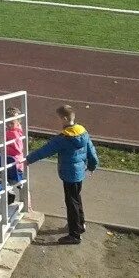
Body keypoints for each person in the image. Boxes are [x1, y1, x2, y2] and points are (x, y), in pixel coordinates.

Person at [26, 104, 99, 245]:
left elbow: (45, 150)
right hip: (79, 173)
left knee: (71, 203)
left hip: (69, 174)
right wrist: (92, 166)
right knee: (77, 199)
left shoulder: (63, 138)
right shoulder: (83, 132)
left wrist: (28, 160)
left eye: (59, 119)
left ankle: (74, 235)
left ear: (65, 119)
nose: (59, 121)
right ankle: (80, 224)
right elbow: (91, 151)